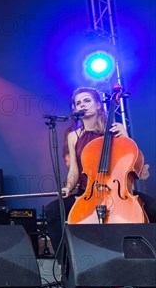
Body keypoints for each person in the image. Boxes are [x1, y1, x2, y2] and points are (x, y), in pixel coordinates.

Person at [46, 87, 154, 260]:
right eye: (78, 102)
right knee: (53, 210)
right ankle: (65, 263)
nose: (82, 105)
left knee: (154, 208)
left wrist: (125, 137)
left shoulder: (115, 128)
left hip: (118, 190)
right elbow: (74, 169)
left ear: (97, 105)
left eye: (87, 100)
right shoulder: (74, 135)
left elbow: (134, 161)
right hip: (87, 191)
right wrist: (68, 187)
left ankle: (147, 261)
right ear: (74, 109)